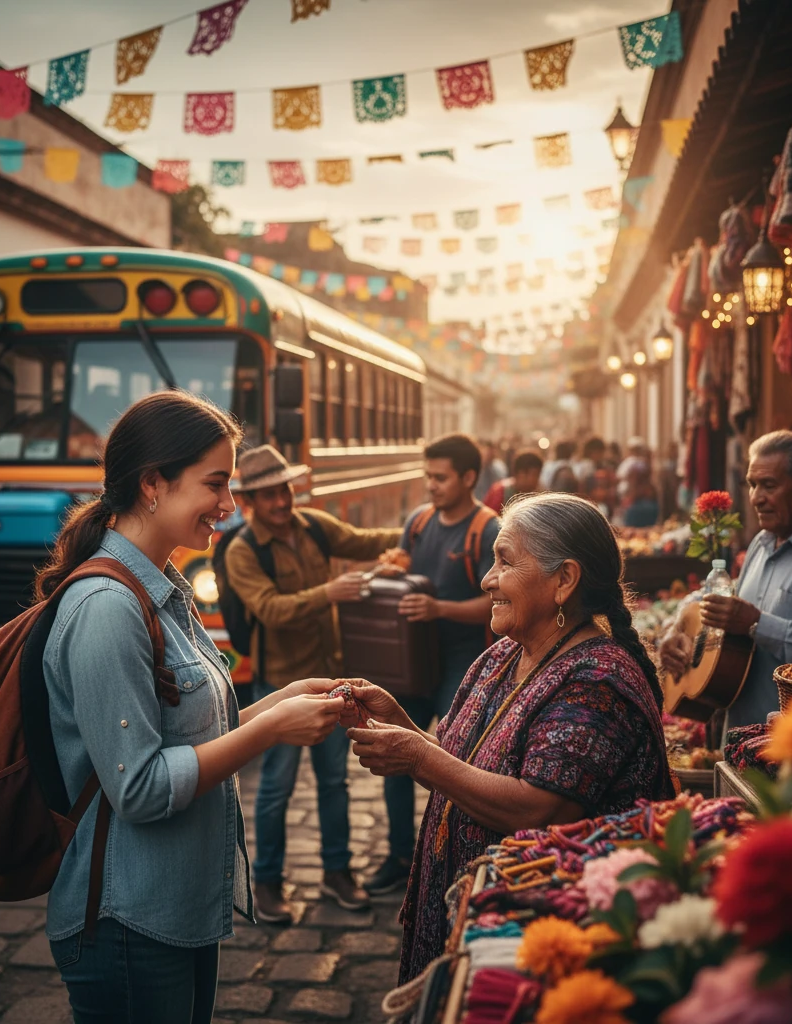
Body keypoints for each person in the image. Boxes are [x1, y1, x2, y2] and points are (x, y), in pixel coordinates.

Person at [37, 392, 346, 1024]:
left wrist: (280, 702)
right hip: (127, 920)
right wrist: (271, 730)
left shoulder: (159, 587)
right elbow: (141, 787)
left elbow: (189, 735)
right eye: (216, 484)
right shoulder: (108, 607)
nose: (229, 505)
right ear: (152, 484)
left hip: (171, 909)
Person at [340, 493, 674, 982]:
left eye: (505, 561)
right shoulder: (502, 656)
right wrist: (401, 725)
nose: (487, 579)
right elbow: (461, 765)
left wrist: (416, 757)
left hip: (536, 948)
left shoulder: (596, 682)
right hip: (472, 921)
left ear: (564, 580)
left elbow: (538, 809)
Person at [223, 445, 401, 923]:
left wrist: (419, 530)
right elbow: (270, 609)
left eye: (284, 490)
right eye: (268, 494)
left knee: (334, 782)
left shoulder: (315, 526)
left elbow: (364, 541)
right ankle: (266, 883)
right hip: (280, 685)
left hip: (329, 678)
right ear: (250, 502)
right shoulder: (243, 551)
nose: (282, 501)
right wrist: (330, 593)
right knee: (276, 788)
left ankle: (337, 873)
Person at [659, 430, 792, 728]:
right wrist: (676, 626)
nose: (756, 498)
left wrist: (756, 624)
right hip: (740, 733)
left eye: (769, 485)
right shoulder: (761, 543)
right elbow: (726, 600)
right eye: (752, 484)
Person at [365, 434, 500, 896]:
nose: (431, 485)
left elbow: (497, 603)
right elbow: (403, 569)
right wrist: (391, 572)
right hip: (412, 661)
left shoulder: (488, 530)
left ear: (468, 477)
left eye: (440, 478)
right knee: (392, 749)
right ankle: (400, 855)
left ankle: (457, 855)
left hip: (465, 663)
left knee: (456, 760)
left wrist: (438, 608)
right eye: (428, 476)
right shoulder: (419, 522)